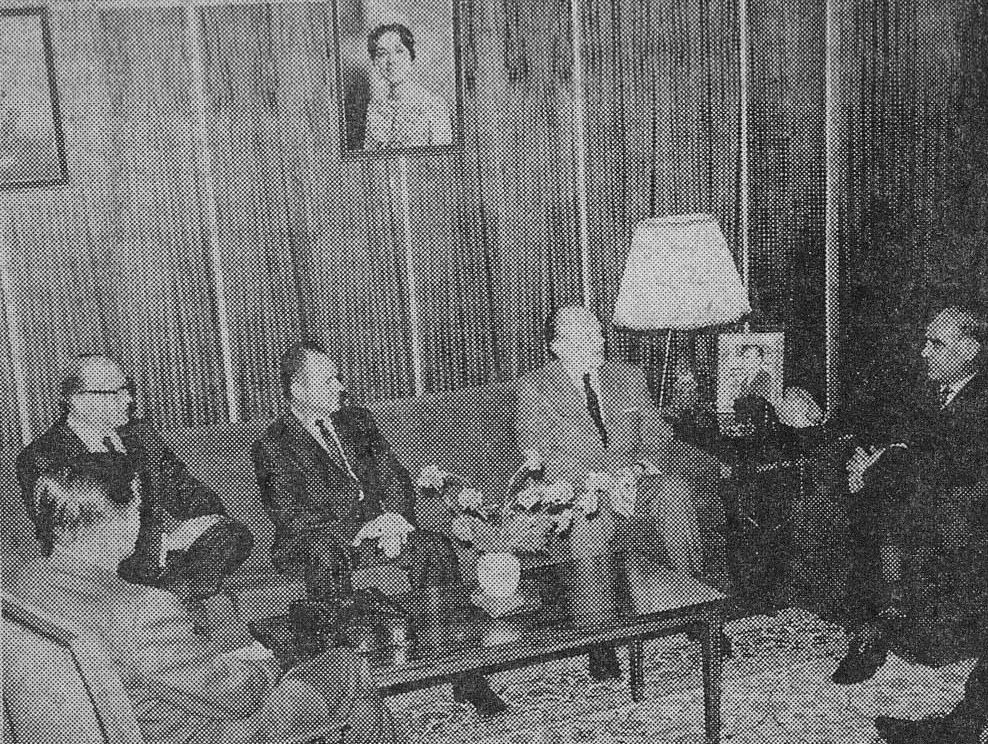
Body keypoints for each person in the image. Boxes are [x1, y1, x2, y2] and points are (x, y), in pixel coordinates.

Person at [11, 461, 400, 744]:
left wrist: (220, 663)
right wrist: (266, 659)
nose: (142, 521)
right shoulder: (142, 607)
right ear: (120, 518)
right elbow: (238, 698)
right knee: (344, 666)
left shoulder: (18, 585)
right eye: (138, 509)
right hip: (209, 734)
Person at [252, 343, 506, 715]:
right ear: (298, 390)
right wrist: (363, 530)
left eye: (338, 378)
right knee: (324, 553)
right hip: (316, 541)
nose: (340, 387)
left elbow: (395, 477)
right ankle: (345, 693)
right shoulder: (273, 445)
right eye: (329, 381)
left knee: (435, 547)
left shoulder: (358, 421)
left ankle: (466, 676)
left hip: (377, 532)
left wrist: (397, 520)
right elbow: (292, 517)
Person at [515, 305, 731, 678]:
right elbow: (538, 455)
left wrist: (637, 469)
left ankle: (697, 612)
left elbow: (659, 437)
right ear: (558, 346)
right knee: (588, 523)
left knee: (675, 492)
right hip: (584, 491)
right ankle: (600, 639)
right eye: (587, 335)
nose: (600, 340)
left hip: (635, 483)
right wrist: (596, 481)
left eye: (598, 331)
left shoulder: (628, 377)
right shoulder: (536, 387)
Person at [833, 305, 988, 686]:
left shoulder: (980, 399)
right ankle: (875, 622)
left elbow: (953, 466)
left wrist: (878, 467)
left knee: (882, 504)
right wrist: (871, 457)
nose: (924, 352)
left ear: (969, 350)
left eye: (936, 344)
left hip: (963, 509)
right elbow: (901, 439)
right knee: (869, 495)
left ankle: (875, 629)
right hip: (920, 497)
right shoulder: (930, 390)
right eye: (925, 342)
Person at [15, 354, 251, 604]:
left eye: (126, 389)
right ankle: (170, 601)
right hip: (107, 569)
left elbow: (190, 492)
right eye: (115, 393)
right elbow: (76, 539)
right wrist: (159, 546)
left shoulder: (141, 435)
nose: (128, 399)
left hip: (162, 558)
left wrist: (198, 523)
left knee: (232, 532)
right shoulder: (42, 456)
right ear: (78, 401)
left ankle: (171, 599)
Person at [362, 23, 453, 149]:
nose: (391, 61)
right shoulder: (375, 108)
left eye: (399, 51)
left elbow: (443, 158)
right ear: (375, 62)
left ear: (411, 57)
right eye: (382, 54)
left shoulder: (434, 106)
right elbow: (369, 158)